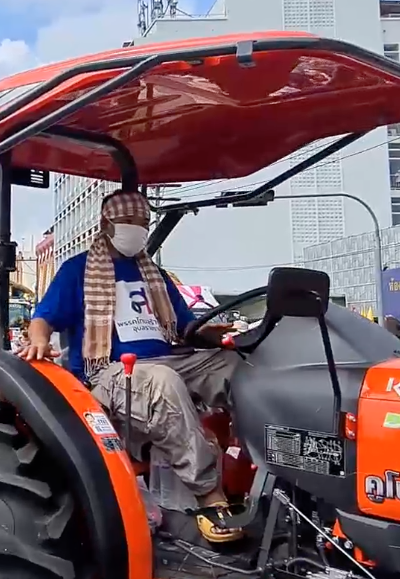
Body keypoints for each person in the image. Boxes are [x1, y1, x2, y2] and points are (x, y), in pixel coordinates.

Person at [22, 189, 242, 544]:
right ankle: (209, 496)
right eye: (129, 223)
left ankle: (260, 468)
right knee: (162, 382)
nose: (137, 230)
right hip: (108, 371)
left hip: (169, 357)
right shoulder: (77, 270)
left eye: (143, 223)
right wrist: (39, 339)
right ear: (106, 224)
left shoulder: (154, 273)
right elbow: (43, 318)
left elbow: (185, 329)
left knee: (235, 366)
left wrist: (209, 335)